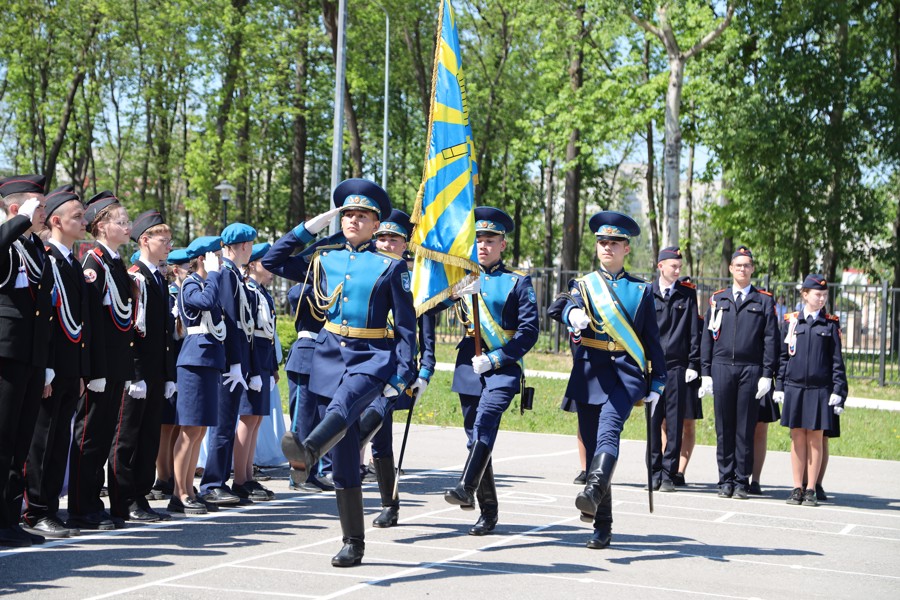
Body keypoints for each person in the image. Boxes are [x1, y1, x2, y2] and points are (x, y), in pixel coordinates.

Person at [279, 179, 417, 567]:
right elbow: (274, 260)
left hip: (369, 358)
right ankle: (353, 542)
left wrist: (403, 376)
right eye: (348, 214)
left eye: (362, 215)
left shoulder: (391, 267)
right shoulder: (324, 257)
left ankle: (308, 450)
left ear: (377, 225)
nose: (353, 220)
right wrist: (312, 225)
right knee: (344, 457)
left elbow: (407, 327)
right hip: (327, 355)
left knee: (342, 407)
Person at [548, 210, 665, 550]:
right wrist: (573, 313)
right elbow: (558, 306)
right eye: (602, 242)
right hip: (589, 372)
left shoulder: (640, 290)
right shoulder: (584, 286)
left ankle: (593, 490)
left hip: (625, 375)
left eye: (614, 242)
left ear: (626, 248)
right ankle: (602, 523)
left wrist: (657, 383)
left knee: (609, 430)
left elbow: (652, 341)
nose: (607, 247)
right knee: (593, 440)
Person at [429, 207, 539, 537]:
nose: (483, 246)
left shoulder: (517, 282)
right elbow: (426, 307)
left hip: (502, 366)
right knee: (474, 438)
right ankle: (488, 511)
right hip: (468, 363)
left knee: (485, 421)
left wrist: (497, 359)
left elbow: (529, 331)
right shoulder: (463, 277)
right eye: (478, 240)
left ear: (502, 244)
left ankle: (465, 486)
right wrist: (453, 294)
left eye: (490, 240)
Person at [356, 209, 436, 528]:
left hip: (395, 370)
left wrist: (425, 373)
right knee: (371, 432)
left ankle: (389, 504)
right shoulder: (366, 274)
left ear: (406, 244)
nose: (387, 243)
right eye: (382, 238)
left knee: (380, 435)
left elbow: (424, 336)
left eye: (394, 238)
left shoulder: (417, 283)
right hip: (364, 365)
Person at [22, 185, 92, 538]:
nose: (84, 221)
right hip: (51, 363)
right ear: (56, 220)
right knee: (43, 439)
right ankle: (34, 508)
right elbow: (44, 316)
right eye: (77, 216)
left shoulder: (72, 262)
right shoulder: (47, 255)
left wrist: (80, 369)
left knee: (59, 440)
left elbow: (79, 318)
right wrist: (47, 365)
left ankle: (49, 506)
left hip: (70, 365)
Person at [66, 191, 136, 531]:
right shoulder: (94, 262)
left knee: (104, 433)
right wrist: (91, 368)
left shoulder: (113, 262)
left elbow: (123, 319)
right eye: (121, 222)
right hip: (100, 365)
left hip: (115, 363)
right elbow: (89, 319)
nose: (128, 227)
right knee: (90, 436)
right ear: (102, 226)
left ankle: (95, 503)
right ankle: (82, 506)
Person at [108, 210, 177, 523]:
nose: (168, 246)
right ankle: (124, 500)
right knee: (127, 438)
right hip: (137, 372)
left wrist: (167, 374)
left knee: (148, 436)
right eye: (164, 240)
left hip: (155, 372)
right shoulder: (136, 276)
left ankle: (141, 495)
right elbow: (131, 328)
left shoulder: (157, 277)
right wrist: (136, 375)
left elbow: (163, 332)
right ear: (145, 240)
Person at [262, 233, 343, 494]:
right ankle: (298, 474)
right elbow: (298, 292)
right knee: (302, 420)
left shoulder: (336, 286)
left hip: (327, 357)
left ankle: (316, 470)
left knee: (322, 417)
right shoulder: (305, 287)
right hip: (306, 354)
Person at [700, 245, 778, 499]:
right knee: (724, 426)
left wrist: (767, 374)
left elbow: (770, 339)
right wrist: (706, 371)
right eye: (738, 265)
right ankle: (725, 479)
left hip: (751, 369)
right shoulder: (718, 299)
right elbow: (707, 337)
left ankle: (741, 481)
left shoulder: (764, 300)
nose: (743, 269)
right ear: (731, 268)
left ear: (752, 269)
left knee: (746, 427)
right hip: (722, 367)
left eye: (747, 265)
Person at [0, 175, 52, 547]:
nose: (45, 214)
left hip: (32, 356)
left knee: (20, 443)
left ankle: (8, 520)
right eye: (39, 207)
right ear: (17, 209)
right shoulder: (8, 242)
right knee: (2, 441)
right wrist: (16, 221)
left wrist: (46, 361)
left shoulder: (34, 248)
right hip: (6, 355)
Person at [199, 223, 258, 506]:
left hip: (237, 359)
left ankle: (220, 479)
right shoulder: (226, 275)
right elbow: (230, 321)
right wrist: (235, 362)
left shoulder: (234, 275)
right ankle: (212, 482)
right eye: (250, 245)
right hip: (228, 361)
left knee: (228, 421)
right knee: (222, 425)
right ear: (244, 246)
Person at [774, 274, 847, 506]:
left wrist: (839, 391)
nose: (822, 298)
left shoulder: (830, 324)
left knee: (815, 438)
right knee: (797, 437)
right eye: (817, 294)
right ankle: (797, 487)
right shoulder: (791, 322)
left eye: (825, 295)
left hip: (819, 390)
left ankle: (812, 489)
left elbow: (837, 361)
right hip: (795, 388)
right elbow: (784, 357)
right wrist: (780, 385)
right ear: (805, 294)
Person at [168, 237, 225, 515]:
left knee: (200, 431)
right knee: (189, 430)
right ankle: (178, 493)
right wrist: (213, 274)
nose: (221, 260)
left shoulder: (208, 281)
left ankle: (189, 488)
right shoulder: (192, 282)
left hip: (209, 360)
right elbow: (205, 302)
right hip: (193, 361)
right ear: (203, 258)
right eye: (216, 255)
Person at [649, 247, 700, 492]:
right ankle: (654, 471)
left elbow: (693, 332)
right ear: (661, 266)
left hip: (678, 367)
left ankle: (669, 474)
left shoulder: (687, 295)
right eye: (673, 266)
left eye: (680, 266)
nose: (678, 270)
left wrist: (693, 363)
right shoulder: (648, 293)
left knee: (675, 422)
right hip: (653, 368)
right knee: (652, 421)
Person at [233, 242, 278, 502]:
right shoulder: (247, 290)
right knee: (247, 418)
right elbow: (246, 333)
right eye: (266, 263)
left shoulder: (261, 292)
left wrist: (270, 368)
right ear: (253, 265)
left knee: (257, 419)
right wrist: (251, 369)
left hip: (262, 361)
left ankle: (249, 476)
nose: (271, 269)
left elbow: (268, 335)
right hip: (252, 362)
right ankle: (240, 479)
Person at [149, 248, 192, 501]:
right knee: (166, 424)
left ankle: (173, 475)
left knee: (178, 421)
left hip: (182, 364)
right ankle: (162, 476)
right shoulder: (170, 295)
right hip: (171, 362)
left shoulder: (188, 293)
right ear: (176, 270)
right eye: (187, 267)